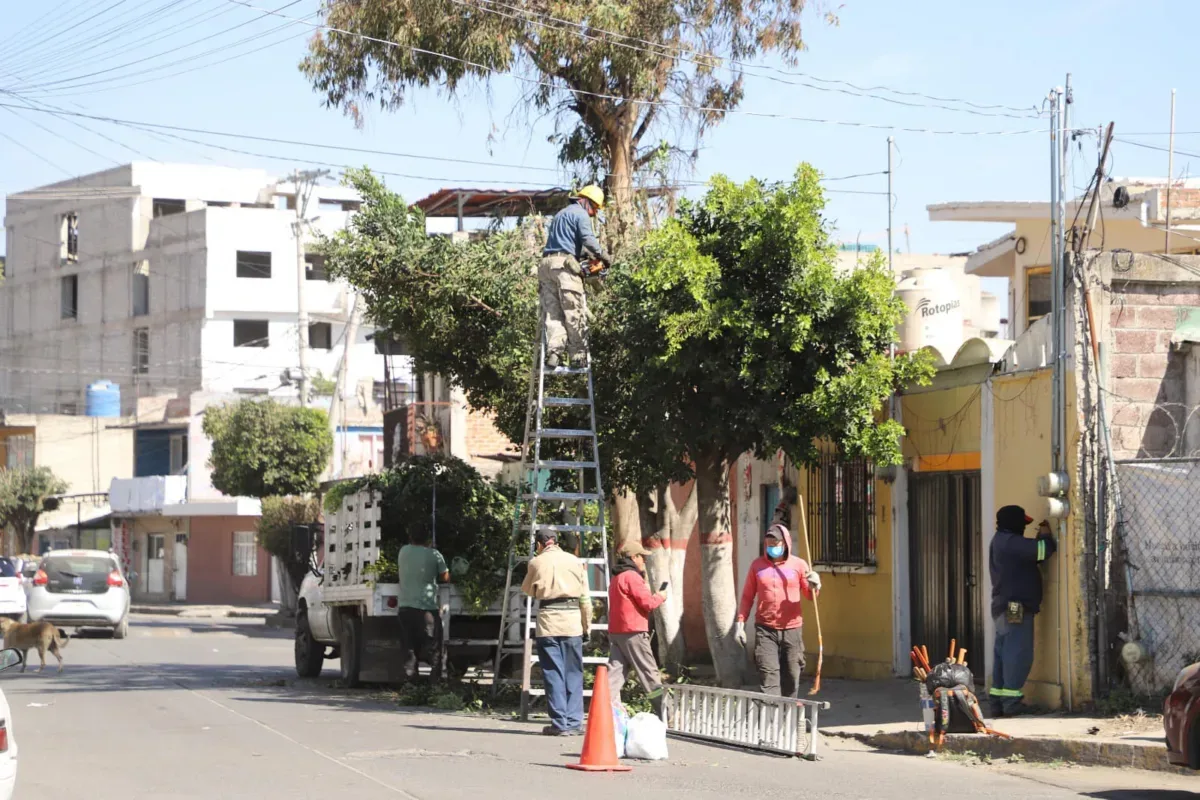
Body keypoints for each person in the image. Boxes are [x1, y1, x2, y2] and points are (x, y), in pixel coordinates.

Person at [735, 522, 822, 698]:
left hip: (792, 629)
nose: (773, 548)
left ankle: (789, 714)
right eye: (769, 545)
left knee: (791, 674)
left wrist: (816, 585)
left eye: (776, 545)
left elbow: (809, 595)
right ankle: (771, 718)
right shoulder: (757, 566)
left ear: (786, 543)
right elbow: (747, 597)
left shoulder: (799, 565)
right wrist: (740, 623)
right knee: (769, 674)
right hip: (765, 629)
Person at [521, 531, 592, 736]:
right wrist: (586, 627)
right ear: (557, 542)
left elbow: (528, 590)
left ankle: (559, 723)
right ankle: (574, 722)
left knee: (553, 673)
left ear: (540, 544)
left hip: (548, 624)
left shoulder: (536, 562)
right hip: (572, 624)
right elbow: (585, 601)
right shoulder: (575, 562)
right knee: (573, 673)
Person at [989, 505, 1057, 718]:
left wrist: (1036, 542)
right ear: (1014, 523)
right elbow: (1043, 551)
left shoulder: (1001, 540)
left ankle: (998, 702)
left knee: (1003, 653)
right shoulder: (1010, 542)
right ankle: (1011, 703)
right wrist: (1046, 536)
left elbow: (1030, 555)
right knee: (1017, 653)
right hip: (1015, 606)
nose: (1024, 528)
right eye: (1023, 524)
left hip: (1003, 605)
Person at [540, 185, 612, 369]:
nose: (595, 213)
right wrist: (602, 255)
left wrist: (584, 256)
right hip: (564, 267)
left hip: (547, 265)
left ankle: (554, 353)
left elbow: (565, 242)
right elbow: (588, 239)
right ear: (586, 201)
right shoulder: (581, 214)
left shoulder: (560, 215)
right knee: (574, 311)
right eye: (595, 208)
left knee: (553, 314)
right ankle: (578, 356)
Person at [607, 541, 668, 716]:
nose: (644, 561)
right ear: (634, 557)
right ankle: (667, 713)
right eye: (642, 557)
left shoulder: (617, 577)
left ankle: (602, 710)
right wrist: (660, 596)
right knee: (649, 674)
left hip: (617, 632)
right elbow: (648, 603)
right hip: (633, 632)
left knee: (615, 673)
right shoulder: (632, 577)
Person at [395, 524, 450, 683]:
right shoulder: (434, 555)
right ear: (427, 539)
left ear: (410, 537)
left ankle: (411, 682)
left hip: (405, 610)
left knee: (409, 647)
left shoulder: (403, 552)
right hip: (426, 610)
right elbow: (445, 577)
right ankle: (435, 683)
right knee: (435, 648)